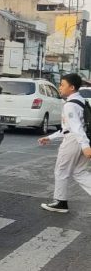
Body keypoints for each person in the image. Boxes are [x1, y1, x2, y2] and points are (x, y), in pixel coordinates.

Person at [38, 73, 91, 213]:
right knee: (80, 172)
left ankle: (60, 202)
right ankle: (60, 202)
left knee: (61, 171)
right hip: (81, 138)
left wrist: (85, 146)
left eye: (62, 85)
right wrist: (50, 137)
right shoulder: (81, 101)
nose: (59, 88)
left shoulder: (70, 105)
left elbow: (75, 127)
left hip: (74, 140)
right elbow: (70, 127)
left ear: (72, 87)